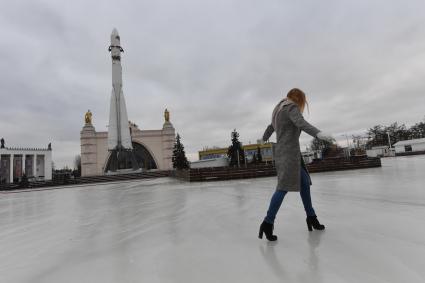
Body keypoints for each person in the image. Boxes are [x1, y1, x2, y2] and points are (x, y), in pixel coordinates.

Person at [259, 88, 333, 241]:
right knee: (282, 188)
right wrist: (318, 134)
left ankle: (311, 217)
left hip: (288, 153)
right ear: (299, 99)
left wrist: (264, 138)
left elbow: (270, 126)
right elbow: (301, 123)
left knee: (304, 182)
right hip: (288, 154)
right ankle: (267, 222)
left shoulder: (278, 108)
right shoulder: (291, 107)